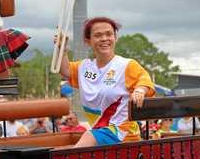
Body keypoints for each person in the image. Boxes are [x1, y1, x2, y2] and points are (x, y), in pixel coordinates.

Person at [56, 17, 155, 147]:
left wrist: (140, 90)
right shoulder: (84, 67)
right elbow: (65, 70)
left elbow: (145, 81)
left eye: (109, 34)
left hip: (122, 134)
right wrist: (61, 48)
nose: (104, 39)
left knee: (85, 139)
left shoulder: (127, 65)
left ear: (115, 38)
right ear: (88, 41)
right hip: (98, 131)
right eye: (98, 35)